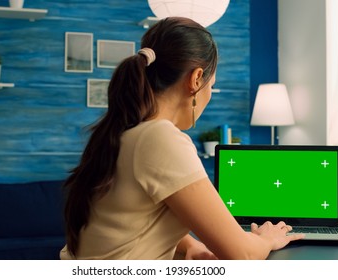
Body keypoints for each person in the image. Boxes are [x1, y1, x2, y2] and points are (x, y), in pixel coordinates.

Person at [61, 17, 304, 260]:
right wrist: (268, 238)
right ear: (196, 79)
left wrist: (189, 245)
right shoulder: (160, 137)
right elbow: (243, 255)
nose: (209, 96)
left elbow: (133, 219)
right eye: (211, 86)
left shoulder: (126, 132)